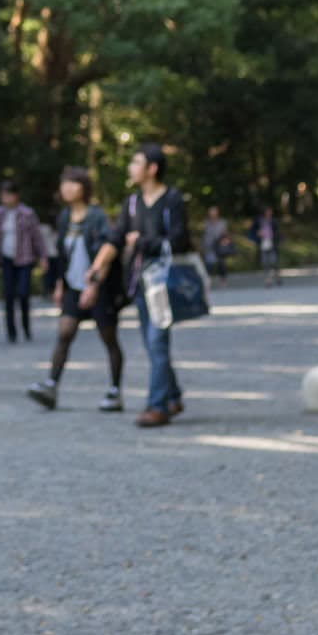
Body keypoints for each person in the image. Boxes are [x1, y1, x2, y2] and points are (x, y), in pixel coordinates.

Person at [84, 141, 189, 428]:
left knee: (156, 341)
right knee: (152, 342)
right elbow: (116, 237)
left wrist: (141, 241)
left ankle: (157, 407)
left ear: (152, 169)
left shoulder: (172, 200)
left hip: (165, 282)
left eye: (136, 162)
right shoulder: (131, 203)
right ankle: (173, 396)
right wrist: (96, 268)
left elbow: (180, 240)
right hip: (140, 282)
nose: (131, 167)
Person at [27, 165, 124, 413]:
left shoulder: (96, 216)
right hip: (73, 285)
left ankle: (114, 390)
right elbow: (63, 255)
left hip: (99, 287)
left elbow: (107, 252)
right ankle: (51, 385)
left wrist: (95, 285)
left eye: (73, 183)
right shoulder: (63, 217)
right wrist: (60, 283)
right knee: (64, 333)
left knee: (108, 338)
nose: (67, 188)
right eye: (64, 183)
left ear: (84, 188)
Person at [0, 179, 44, 343]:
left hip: (24, 258)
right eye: (3, 195)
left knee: (23, 293)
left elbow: (37, 236)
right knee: (8, 295)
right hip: (6, 258)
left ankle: (26, 327)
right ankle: (11, 332)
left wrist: (42, 256)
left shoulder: (27, 213)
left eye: (8, 195)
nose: (6, 198)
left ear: (16, 196)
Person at [250, 203, 282, 286]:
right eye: (268, 211)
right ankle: (268, 280)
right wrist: (257, 235)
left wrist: (275, 237)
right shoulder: (258, 220)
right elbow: (252, 232)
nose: (269, 213)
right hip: (263, 243)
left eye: (270, 211)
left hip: (272, 243)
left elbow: (278, 232)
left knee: (274, 261)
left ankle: (277, 276)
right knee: (265, 262)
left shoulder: (273, 221)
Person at [199, 205, 233, 279]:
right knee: (208, 264)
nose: (212, 214)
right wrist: (201, 246)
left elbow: (226, 234)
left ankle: (223, 279)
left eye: (214, 212)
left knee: (221, 263)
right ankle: (207, 279)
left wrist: (226, 240)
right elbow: (203, 235)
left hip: (218, 246)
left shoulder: (222, 222)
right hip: (208, 246)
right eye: (211, 212)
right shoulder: (206, 223)